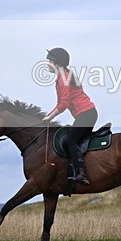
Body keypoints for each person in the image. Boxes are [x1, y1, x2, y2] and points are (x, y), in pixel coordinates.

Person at [42, 47, 97, 185]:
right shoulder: (63, 76)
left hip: (86, 114)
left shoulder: (64, 78)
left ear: (57, 63)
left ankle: (81, 173)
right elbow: (60, 103)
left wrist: (50, 118)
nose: (47, 63)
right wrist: (47, 116)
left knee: (69, 140)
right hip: (87, 114)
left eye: (50, 61)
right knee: (77, 141)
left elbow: (64, 103)